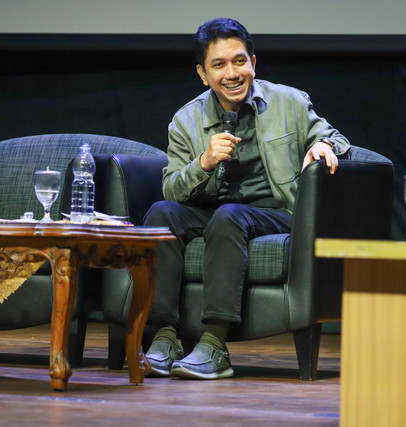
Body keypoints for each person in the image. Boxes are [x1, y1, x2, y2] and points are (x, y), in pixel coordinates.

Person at [142, 17, 350, 380]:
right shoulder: (185, 120)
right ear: (203, 74)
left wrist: (323, 144)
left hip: (279, 211)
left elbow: (337, 137)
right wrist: (204, 162)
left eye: (239, 61)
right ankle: (164, 335)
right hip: (214, 211)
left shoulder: (290, 102)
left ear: (254, 63)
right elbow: (172, 189)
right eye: (218, 65)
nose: (232, 73)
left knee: (230, 215)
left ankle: (214, 343)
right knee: (162, 213)